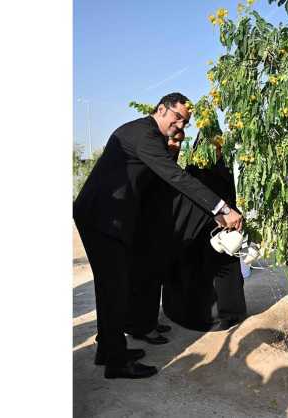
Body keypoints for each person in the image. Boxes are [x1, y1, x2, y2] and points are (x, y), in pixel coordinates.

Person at [73, 92, 243, 379]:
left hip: (105, 217)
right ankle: (116, 363)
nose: (181, 126)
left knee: (110, 286)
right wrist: (220, 208)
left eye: (186, 122)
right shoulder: (145, 134)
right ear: (161, 109)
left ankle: (109, 349)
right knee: (113, 287)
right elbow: (175, 177)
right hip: (101, 218)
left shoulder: (145, 134)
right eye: (178, 117)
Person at [162, 129, 247, 332]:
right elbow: (191, 202)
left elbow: (229, 198)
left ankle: (230, 312)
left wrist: (233, 216)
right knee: (200, 272)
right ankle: (203, 316)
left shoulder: (223, 167)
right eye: (213, 147)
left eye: (220, 147)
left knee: (226, 270)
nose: (217, 151)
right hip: (199, 233)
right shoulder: (195, 170)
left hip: (223, 230)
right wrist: (212, 218)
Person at [123, 131, 186, 345]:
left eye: (180, 142)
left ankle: (147, 322)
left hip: (157, 230)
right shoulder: (152, 159)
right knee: (144, 281)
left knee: (153, 280)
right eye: (173, 140)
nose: (176, 145)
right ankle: (143, 327)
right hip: (142, 230)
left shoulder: (167, 161)